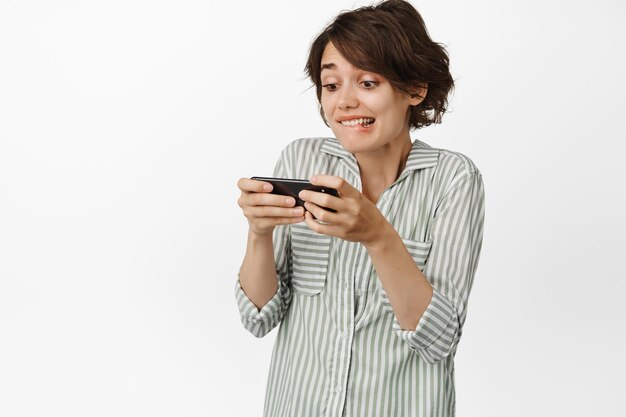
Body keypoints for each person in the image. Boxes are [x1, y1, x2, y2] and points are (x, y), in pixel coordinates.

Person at [235, 1, 485, 416]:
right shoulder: (300, 160)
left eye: (367, 83)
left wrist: (378, 236)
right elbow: (259, 318)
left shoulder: (453, 179)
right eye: (331, 85)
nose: (344, 102)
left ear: (415, 89)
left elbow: (438, 340)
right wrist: (259, 233)